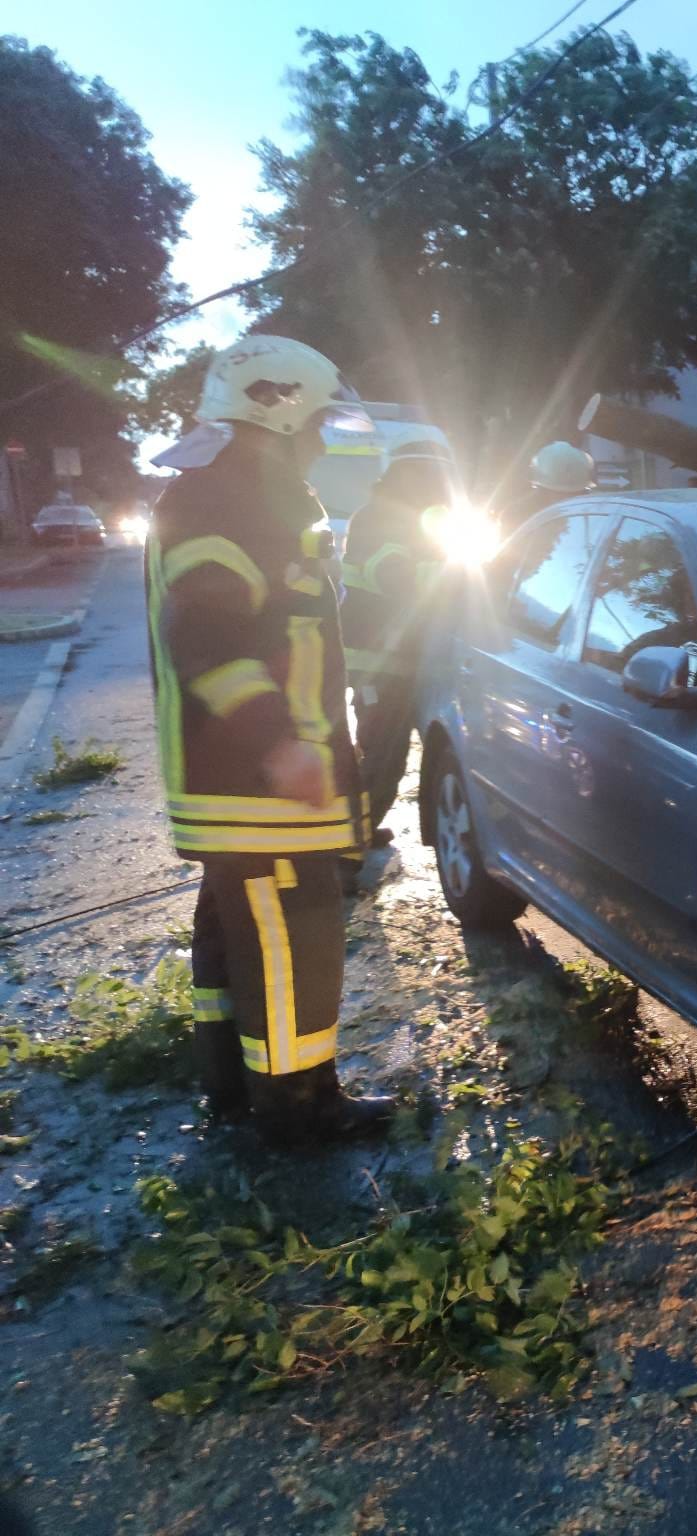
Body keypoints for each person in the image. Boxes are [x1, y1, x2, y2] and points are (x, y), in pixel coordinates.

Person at [147, 335, 392, 1141]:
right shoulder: (228, 498)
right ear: (282, 412)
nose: (325, 439)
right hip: (256, 789)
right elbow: (207, 640)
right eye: (320, 422)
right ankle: (297, 1107)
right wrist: (280, 745)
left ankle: (233, 1085)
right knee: (293, 936)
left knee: (236, 935)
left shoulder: (237, 489)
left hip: (245, 791)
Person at [339, 438, 455, 852]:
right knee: (383, 756)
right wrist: (454, 579)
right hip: (380, 660)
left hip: (403, 656)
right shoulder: (380, 518)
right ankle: (344, 852)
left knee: (383, 752)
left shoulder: (417, 515)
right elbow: (396, 577)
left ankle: (359, 831)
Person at [501, 440, 594, 533]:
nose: (568, 501)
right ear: (543, 492)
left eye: (574, 495)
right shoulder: (514, 516)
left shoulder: (591, 515)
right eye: (560, 494)